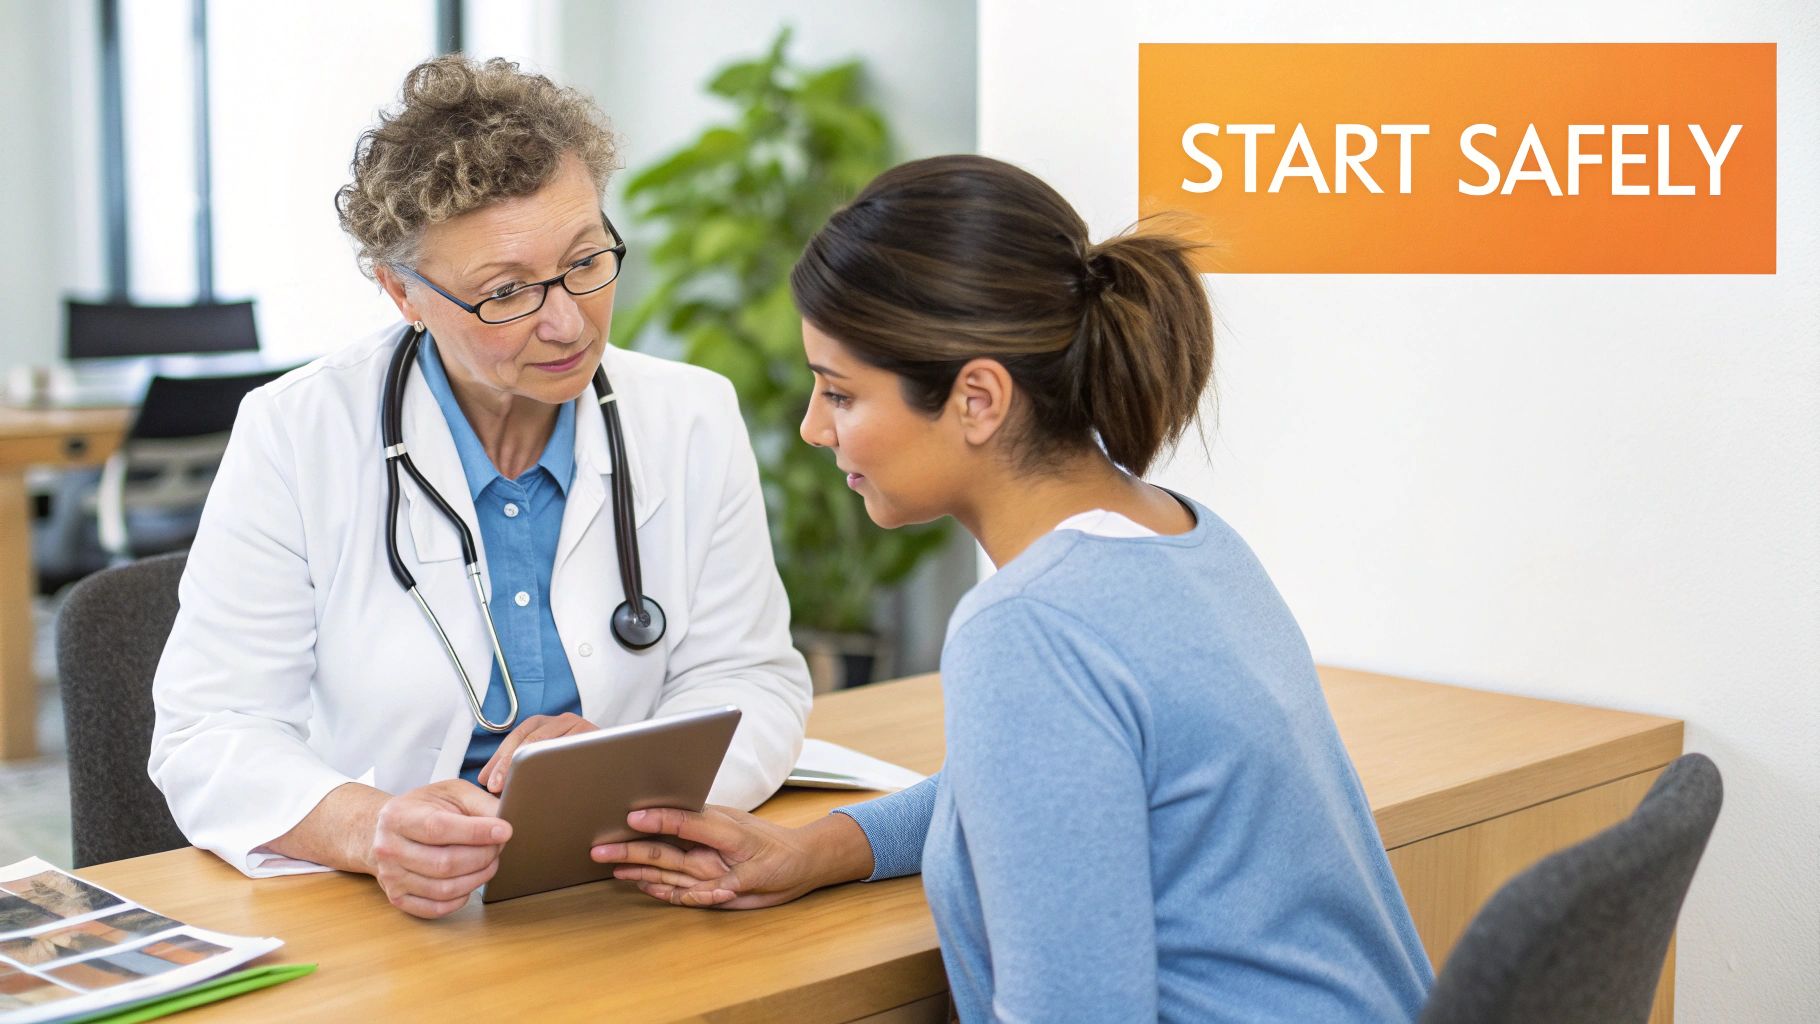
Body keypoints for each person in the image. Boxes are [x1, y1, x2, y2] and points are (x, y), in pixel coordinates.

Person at [593, 155, 1434, 1020]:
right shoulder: (1184, 537)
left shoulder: (1028, 628)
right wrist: (818, 850)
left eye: (840, 394)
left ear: (978, 399)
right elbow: (1045, 791)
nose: (813, 427)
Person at [148, 56, 811, 918]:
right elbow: (209, 731)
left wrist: (620, 771)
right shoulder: (297, 433)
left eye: (586, 261)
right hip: (385, 911)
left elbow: (753, 679)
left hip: (622, 889)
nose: (568, 321)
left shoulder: (690, 416)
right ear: (403, 293)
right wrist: (371, 827)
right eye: (506, 292)